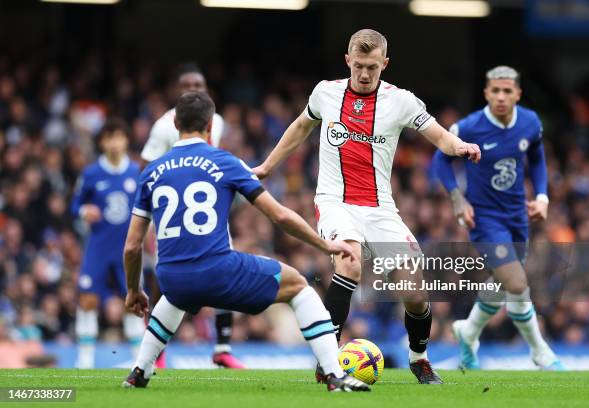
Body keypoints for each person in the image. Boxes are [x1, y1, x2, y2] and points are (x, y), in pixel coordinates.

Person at [253, 29, 481, 384]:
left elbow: (438, 136)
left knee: (415, 293)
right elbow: (300, 127)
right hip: (335, 202)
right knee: (350, 261)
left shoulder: (401, 101)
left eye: (372, 67)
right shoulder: (326, 93)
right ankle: (328, 360)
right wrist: (268, 165)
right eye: (358, 65)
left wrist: (460, 146)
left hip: (380, 209)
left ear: (384, 64)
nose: (363, 74)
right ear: (347, 60)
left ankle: (419, 358)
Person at [122, 92, 370, 392]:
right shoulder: (225, 162)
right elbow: (278, 215)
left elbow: (133, 246)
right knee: (299, 287)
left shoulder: (150, 172)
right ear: (210, 126)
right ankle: (333, 374)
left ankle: (139, 371)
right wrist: (324, 244)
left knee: (175, 296)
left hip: (171, 277)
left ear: (175, 123)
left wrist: (134, 290)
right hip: (218, 270)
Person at [432, 65, 565, 370]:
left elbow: (536, 157)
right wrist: (457, 198)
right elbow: (441, 159)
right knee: (516, 283)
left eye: (508, 91)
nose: (502, 97)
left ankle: (468, 332)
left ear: (518, 93)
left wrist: (542, 196)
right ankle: (539, 350)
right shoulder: (470, 126)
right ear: (486, 93)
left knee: (503, 282)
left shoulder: (530, 122)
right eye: (496, 91)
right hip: (485, 218)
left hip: (518, 214)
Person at [141, 64, 242, 369]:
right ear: (176, 91)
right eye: (187, 85)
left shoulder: (217, 121)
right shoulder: (163, 127)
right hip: (173, 215)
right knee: (165, 278)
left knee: (227, 267)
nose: (194, 89)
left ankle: (222, 347)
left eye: (199, 83)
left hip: (208, 212)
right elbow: (145, 169)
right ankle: (157, 352)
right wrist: (147, 223)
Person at [70, 118, 143, 368]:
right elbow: (75, 205)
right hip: (99, 246)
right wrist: (84, 212)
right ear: (102, 142)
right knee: (88, 298)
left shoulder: (136, 172)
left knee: (133, 301)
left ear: (126, 140)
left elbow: (146, 207)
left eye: (119, 137)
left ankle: (139, 360)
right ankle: (85, 359)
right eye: (109, 137)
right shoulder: (91, 173)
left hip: (128, 248)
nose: (114, 143)